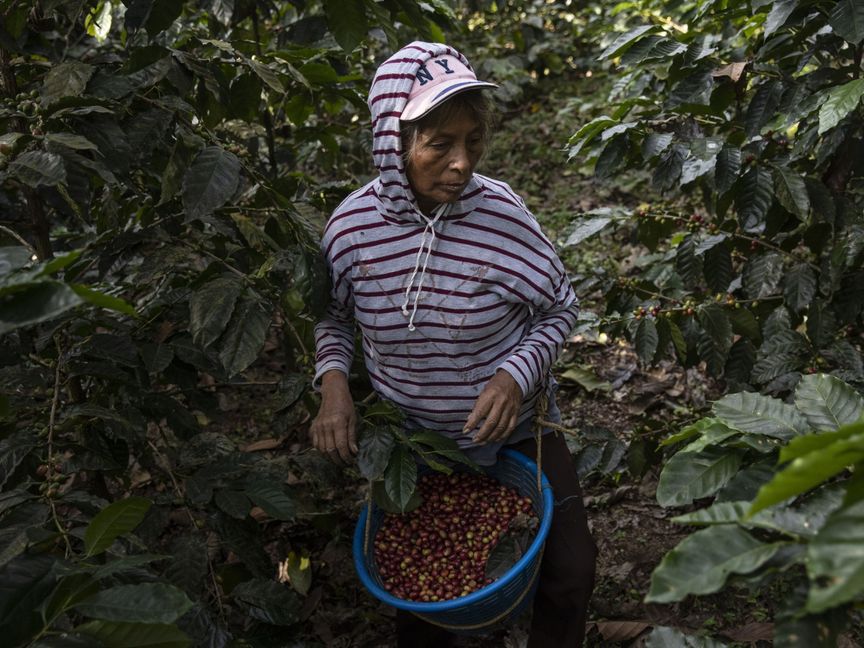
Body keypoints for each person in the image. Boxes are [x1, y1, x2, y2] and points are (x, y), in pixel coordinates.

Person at [310, 41, 596, 648]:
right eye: (440, 144)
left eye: (472, 141)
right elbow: (332, 317)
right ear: (394, 141)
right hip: (419, 443)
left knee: (571, 573)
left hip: (521, 428)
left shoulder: (502, 217)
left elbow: (559, 308)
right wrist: (334, 387)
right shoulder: (350, 230)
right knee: (422, 599)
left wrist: (512, 377)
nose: (461, 163)